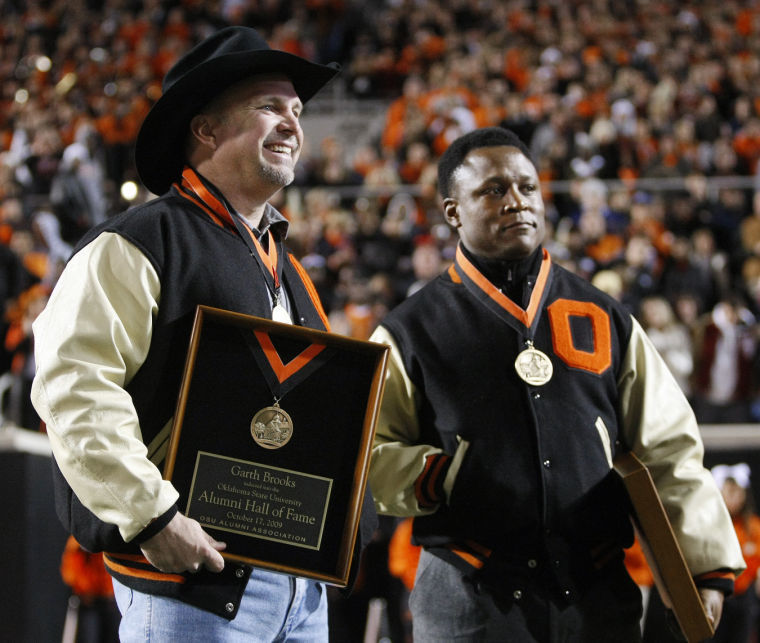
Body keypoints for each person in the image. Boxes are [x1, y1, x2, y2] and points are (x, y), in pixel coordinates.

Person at [31, 26, 376, 642]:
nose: (293, 124)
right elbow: (72, 386)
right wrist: (152, 518)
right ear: (206, 129)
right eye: (270, 106)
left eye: (297, 111)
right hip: (190, 582)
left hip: (301, 593)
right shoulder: (140, 241)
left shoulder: (289, 268)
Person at [367, 126, 745, 642]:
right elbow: (367, 452)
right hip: (469, 595)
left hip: (597, 595)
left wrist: (704, 569)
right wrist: (442, 475)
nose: (516, 202)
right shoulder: (408, 329)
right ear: (452, 212)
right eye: (493, 190)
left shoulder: (606, 314)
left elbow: (669, 447)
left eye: (527, 187)